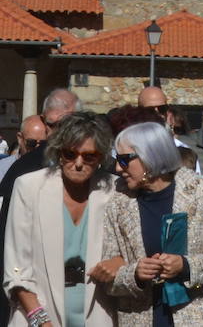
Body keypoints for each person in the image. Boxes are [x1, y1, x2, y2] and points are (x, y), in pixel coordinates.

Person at [101, 121, 203, 327]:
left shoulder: (199, 190)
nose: (118, 168)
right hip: (141, 317)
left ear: (150, 155)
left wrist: (186, 266)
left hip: (197, 317)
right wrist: (135, 274)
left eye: (124, 159)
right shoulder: (118, 200)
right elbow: (109, 276)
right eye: (116, 159)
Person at [3, 112, 118, 327]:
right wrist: (40, 320)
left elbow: (134, 251)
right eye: (70, 154)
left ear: (101, 157)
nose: (78, 163)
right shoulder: (28, 188)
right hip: (36, 318)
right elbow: (16, 269)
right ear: (58, 153)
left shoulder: (115, 190)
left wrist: (121, 262)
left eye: (89, 156)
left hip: (97, 317)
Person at [1, 90, 82, 288]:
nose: (57, 131)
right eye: (51, 124)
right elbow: (8, 232)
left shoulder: (97, 164)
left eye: (64, 123)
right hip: (36, 280)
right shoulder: (23, 170)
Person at [0, 117, 47, 183]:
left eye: (43, 143)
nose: (37, 148)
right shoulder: (3, 168)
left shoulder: (51, 168)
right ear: (20, 138)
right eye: (32, 143)